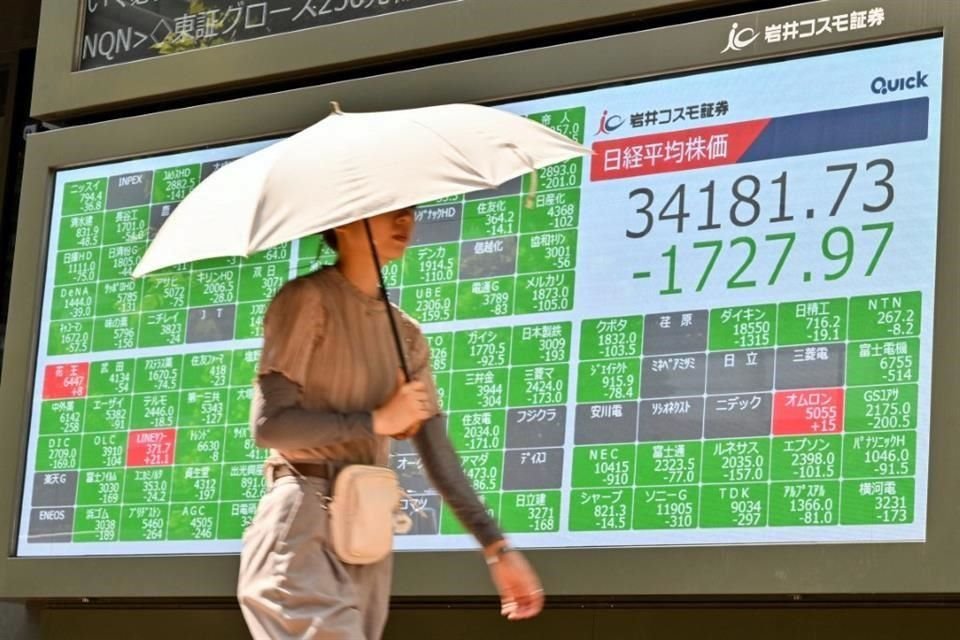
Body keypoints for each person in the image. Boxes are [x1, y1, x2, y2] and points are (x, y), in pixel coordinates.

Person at [237, 207, 545, 639]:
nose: (406, 222)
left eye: (410, 212)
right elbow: (270, 427)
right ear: (342, 221)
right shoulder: (306, 299)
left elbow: (438, 456)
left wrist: (497, 549)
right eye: (389, 213)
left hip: (367, 530)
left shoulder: (407, 335)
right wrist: (377, 420)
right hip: (302, 520)